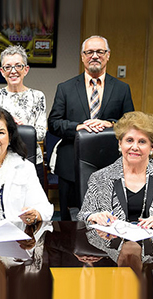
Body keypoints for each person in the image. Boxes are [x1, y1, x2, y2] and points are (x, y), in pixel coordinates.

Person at [48, 35, 134, 220]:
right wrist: (79, 127)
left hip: (109, 164)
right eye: (89, 52)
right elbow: (54, 123)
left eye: (99, 52)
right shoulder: (65, 88)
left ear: (108, 55)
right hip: (70, 164)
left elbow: (130, 123)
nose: (94, 56)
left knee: (108, 220)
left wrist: (111, 124)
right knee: (68, 223)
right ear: (82, 56)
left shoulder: (122, 88)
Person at [77, 111, 153, 229]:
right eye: (129, 140)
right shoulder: (100, 178)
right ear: (120, 144)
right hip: (112, 243)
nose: (134, 147)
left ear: (151, 147)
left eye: (142, 142)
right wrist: (94, 216)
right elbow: (83, 216)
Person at [0, 45, 46, 187]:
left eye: (18, 66)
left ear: (26, 69)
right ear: (2, 71)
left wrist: (20, 128)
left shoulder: (38, 96)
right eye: (8, 67)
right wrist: (10, 126)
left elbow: (41, 133)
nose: (13, 71)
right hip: (0, 162)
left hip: (31, 159)